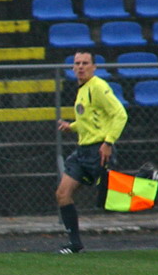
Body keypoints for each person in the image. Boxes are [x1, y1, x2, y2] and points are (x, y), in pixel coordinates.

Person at [55, 52, 128, 254]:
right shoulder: (82, 89)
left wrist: (108, 142)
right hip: (83, 151)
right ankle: (75, 244)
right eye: (77, 63)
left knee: (115, 199)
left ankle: (150, 181)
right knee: (62, 194)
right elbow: (91, 120)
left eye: (85, 63)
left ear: (94, 67)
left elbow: (120, 114)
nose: (80, 67)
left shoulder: (98, 87)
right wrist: (73, 126)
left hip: (99, 150)